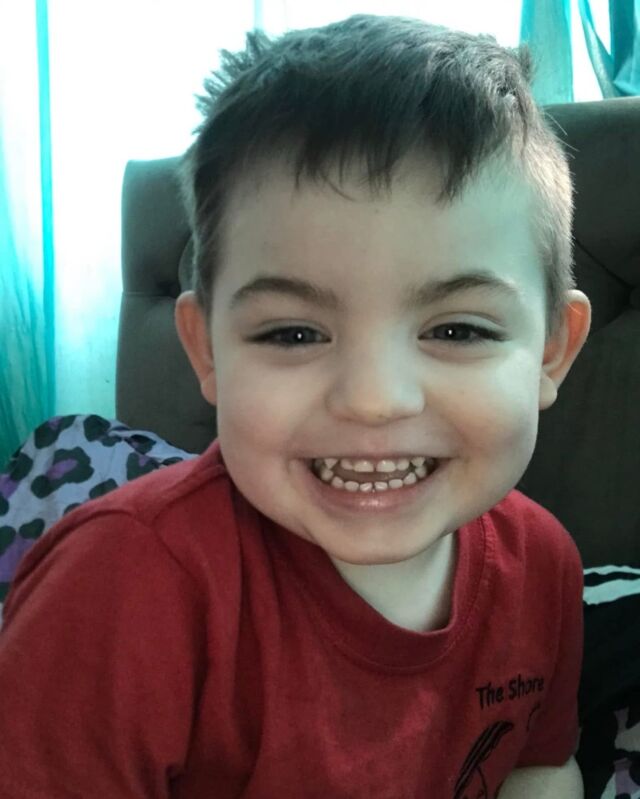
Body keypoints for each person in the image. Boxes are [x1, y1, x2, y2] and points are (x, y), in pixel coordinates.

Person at [0, 14, 591, 798]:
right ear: (207, 351)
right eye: (294, 332)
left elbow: (537, 764)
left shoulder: (544, 566)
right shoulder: (119, 586)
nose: (374, 400)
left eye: (457, 329)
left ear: (551, 351)